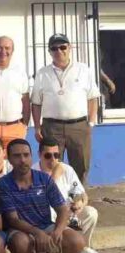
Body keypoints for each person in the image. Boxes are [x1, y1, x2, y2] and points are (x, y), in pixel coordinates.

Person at [0, 139, 85, 253]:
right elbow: (12, 219)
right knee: (20, 243)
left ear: (32, 157)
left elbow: (62, 209)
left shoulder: (44, 179)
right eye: (17, 156)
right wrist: (37, 233)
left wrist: (57, 231)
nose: (22, 160)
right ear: (9, 159)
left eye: (26, 155)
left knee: (77, 242)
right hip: (20, 230)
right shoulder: (3, 183)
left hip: (45, 225)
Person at [32, 33, 100, 185]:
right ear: (49, 52)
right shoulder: (43, 73)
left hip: (79, 126)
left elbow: (93, 97)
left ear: (70, 48)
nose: (59, 51)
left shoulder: (83, 70)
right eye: (54, 48)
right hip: (51, 126)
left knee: (81, 165)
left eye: (63, 47)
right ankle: (55, 202)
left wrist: (91, 123)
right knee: (51, 165)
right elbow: (36, 103)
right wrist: (37, 127)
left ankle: (78, 200)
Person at [33, 138, 101, 253]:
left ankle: (83, 247)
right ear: (39, 155)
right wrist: (54, 176)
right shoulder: (33, 172)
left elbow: (81, 193)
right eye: (48, 155)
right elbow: (40, 199)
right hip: (48, 219)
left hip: (68, 214)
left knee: (91, 213)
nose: (53, 159)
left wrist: (80, 203)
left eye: (56, 155)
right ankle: (58, 249)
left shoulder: (66, 169)